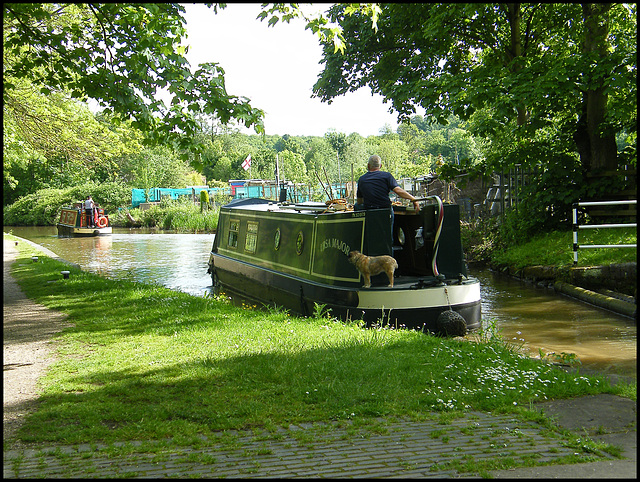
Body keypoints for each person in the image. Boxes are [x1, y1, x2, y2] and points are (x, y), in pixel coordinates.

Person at [356, 155, 420, 213]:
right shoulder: (387, 176)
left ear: (368, 165)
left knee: (357, 206)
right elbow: (398, 190)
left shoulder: (362, 179)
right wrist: (413, 199)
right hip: (385, 210)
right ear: (380, 165)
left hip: (369, 212)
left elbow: (359, 201)